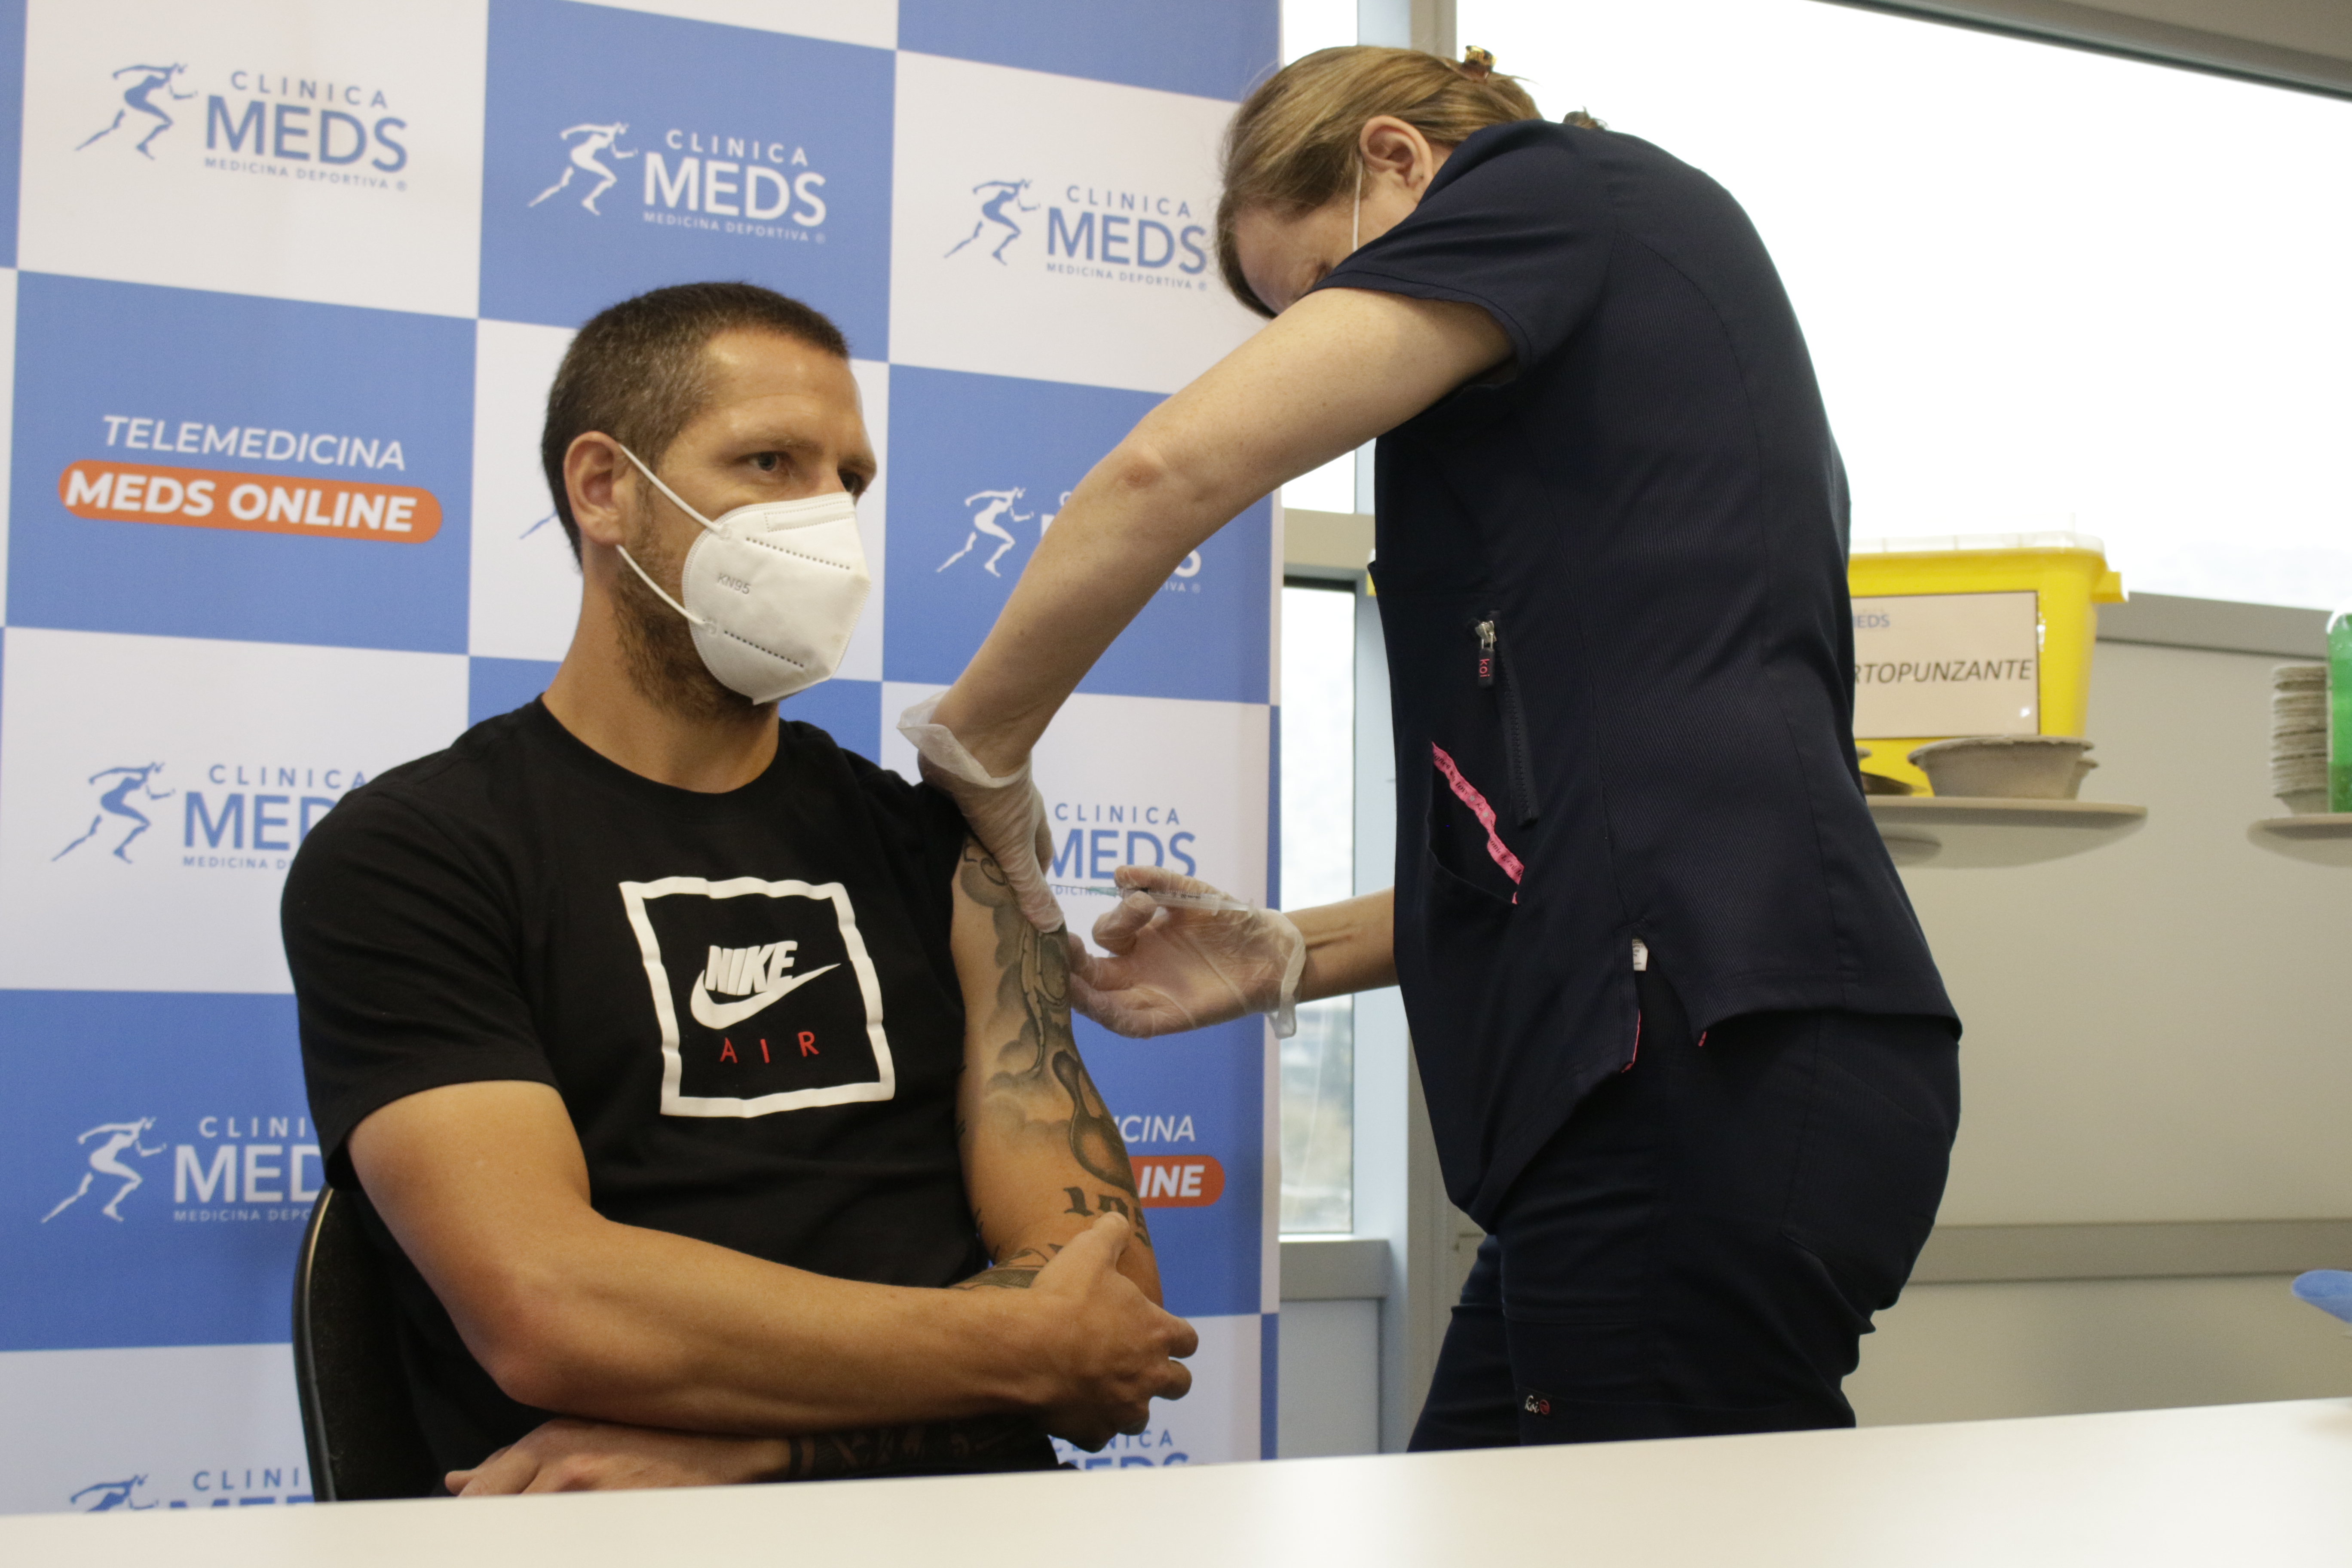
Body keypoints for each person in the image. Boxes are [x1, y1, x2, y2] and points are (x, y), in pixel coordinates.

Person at [902, 47, 1960, 1448]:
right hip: (1667, 1086)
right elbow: (1576, 842)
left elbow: (1168, 471)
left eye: (1324, 300)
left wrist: (980, 748)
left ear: (1397, 160)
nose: (1336, 348)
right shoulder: (1582, 436)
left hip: (1707, 1071)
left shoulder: (1557, 191)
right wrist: (1291, 953)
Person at [283, 283, 1194, 1496]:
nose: (823, 519)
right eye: (769, 462)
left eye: (849, 483)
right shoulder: (415, 855)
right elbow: (548, 1302)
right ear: (604, 487)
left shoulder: (943, 846)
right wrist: (1015, 1353)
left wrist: (753, 1449)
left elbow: (1109, 1318)